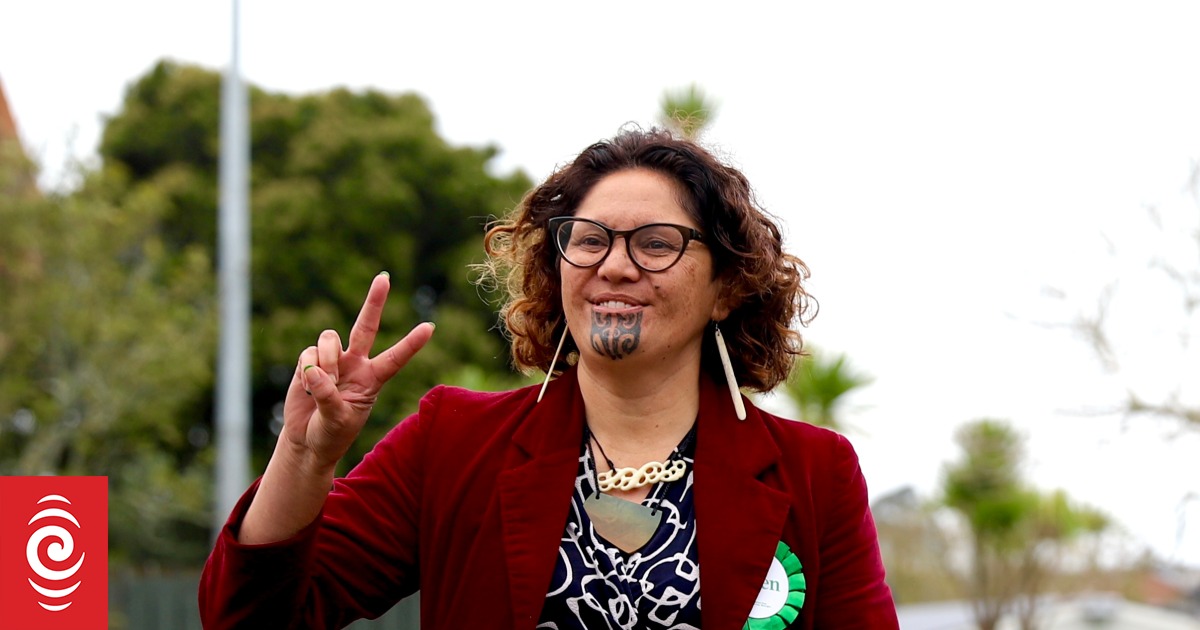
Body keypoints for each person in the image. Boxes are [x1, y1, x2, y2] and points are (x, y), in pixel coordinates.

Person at [198, 127, 899, 629]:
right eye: (589, 240)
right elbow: (248, 617)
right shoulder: (452, 442)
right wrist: (303, 456)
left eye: (656, 244)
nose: (615, 266)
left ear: (725, 288)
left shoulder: (815, 472)